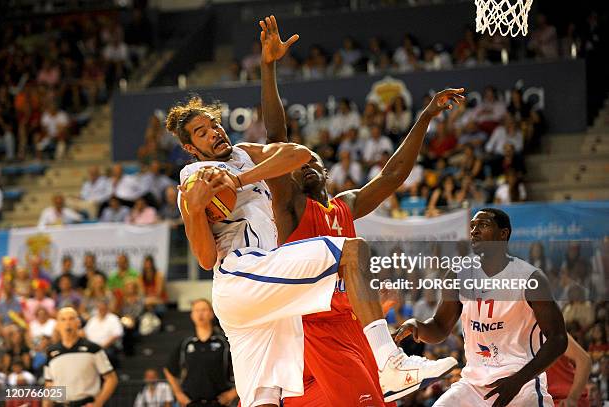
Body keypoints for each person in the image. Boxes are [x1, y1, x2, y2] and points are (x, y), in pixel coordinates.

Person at [169, 16, 453, 406]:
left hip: (276, 300)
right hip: (247, 276)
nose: (214, 132)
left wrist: (240, 178)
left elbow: (300, 153)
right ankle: (389, 361)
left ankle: (383, 361)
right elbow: (204, 255)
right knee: (353, 250)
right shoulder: (199, 175)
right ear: (190, 147)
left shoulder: (248, 159)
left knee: (265, 401)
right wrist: (194, 212)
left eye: (214, 125)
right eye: (201, 132)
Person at [258, 17, 463, 406]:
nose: (307, 163)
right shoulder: (289, 206)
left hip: (354, 324)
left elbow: (392, 176)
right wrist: (268, 68)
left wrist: (425, 118)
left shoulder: (344, 205)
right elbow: (275, 138)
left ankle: (388, 364)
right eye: (297, 162)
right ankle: (389, 361)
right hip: (314, 324)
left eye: (312, 158)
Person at [395, 208, 568, 406]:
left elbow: (558, 339)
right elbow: (440, 327)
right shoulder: (458, 274)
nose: (475, 231)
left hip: (522, 384)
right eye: (473, 226)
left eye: (483, 225)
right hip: (473, 385)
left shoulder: (530, 278)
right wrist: (417, 327)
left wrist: (519, 380)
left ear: (503, 234)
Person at [164, 299, 237, 407]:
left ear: (212, 314)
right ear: (192, 315)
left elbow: (244, 369)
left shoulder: (224, 342)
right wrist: (179, 394)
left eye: (204, 310)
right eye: (196, 310)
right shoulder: (186, 343)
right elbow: (169, 370)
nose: (200, 313)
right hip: (192, 403)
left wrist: (233, 393)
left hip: (218, 403)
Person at [44, 307, 118, 406]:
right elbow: (49, 384)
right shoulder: (51, 352)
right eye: (63, 319)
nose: (67, 323)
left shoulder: (93, 349)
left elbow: (111, 379)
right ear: (57, 325)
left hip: (85, 403)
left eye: (71, 318)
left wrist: (98, 403)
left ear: (78, 323)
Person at [546, 333, 591, 407]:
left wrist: (572, 398)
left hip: (565, 399)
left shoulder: (550, 330)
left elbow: (584, 361)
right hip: (544, 399)